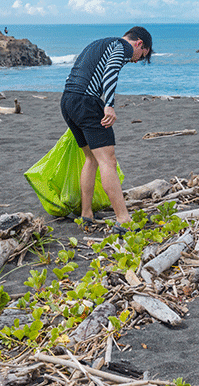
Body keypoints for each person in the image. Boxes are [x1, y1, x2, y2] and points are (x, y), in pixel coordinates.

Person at [60, 26, 152, 233]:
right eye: (141, 55)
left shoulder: (99, 43)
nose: (136, 60)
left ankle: (86, 214)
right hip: (86, 101)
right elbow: (111, 72)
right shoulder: (122, 47)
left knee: (91, 159)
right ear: (138, 43)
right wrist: (109, 104)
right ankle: (123, 220)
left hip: (67, 100)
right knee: (107, 160)